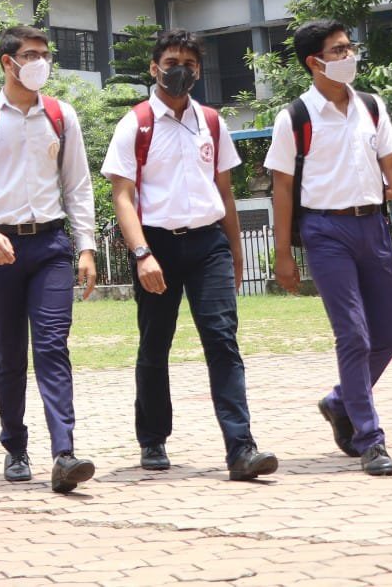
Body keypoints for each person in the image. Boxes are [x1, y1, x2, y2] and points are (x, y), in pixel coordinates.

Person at [102, 29, 278, 482]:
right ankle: (153, 438)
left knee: (222, 341)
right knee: (155, 342)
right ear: (154, 67)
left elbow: (224, 190)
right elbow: (122, 196)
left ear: (199, 71)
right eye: (171, 61)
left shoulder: (212, 123)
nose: (179, 70)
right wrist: (141, 254)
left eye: (189, 63)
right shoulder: (135, 124)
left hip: (208, 246)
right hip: (156, 245)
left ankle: (241, 447)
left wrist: (235, 252)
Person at [264, 19, 392, 477]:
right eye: (338, 50)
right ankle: (369, 438)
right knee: (354, 336)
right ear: (314, 62)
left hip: (373, 226)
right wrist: (284, 254)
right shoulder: (295, 117)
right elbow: (282, 189)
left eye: (348, 48)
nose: (349, 56)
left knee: (389, 337)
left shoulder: (371, 107)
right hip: (325, 231)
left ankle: (339, 401)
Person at [0, 25, 98, 494]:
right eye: (31, 55)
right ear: (7, 62)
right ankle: (15, 446)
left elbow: (77, 184)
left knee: (53, 346)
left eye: (45, 55)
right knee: (10, 352)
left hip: (50, 246)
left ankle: (64, 453)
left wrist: (87, 246)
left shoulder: (61, 115)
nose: (41, 63)